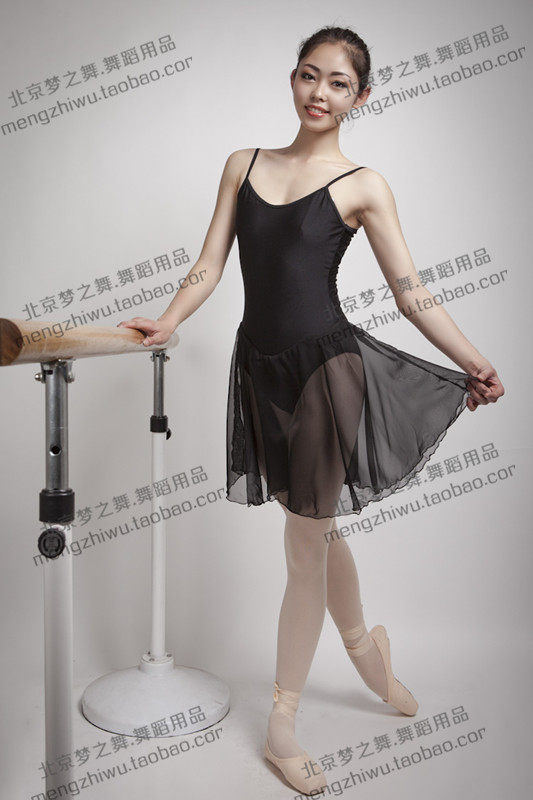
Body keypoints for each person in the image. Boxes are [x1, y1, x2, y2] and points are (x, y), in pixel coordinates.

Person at [118, 25, 504, 796]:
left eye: (337, 82)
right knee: (315, 530)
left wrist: (471, 360)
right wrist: (168, 319)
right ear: (292, 79)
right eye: (307, 74)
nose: (318, 92)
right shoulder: (243, 164)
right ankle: (367, 654)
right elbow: (209, 263)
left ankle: (281, 724)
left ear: (361, 96)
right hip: (259, 368)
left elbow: (409, 292)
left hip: (328, 371)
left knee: (302, 541)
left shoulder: (363, 185)